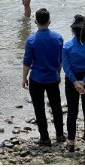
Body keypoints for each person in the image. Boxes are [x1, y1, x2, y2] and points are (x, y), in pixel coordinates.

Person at [22, 8, 65, 146]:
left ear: (35, 22)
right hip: (52, 77)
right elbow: (60, 61)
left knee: (39, 108)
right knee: (56, 107)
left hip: (37, 78)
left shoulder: (31, 40)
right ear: (49, 22)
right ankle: (60, 135)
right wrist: (58, 74)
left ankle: (45, 137)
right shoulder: (58, 38)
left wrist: (24, 78)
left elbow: (27, 61)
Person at [62, 15, 85, 153]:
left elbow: (66, 67)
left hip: (72, 80)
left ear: (73, 31)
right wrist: (84, 81)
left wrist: (75, 82)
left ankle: (71, 142)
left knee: (72, 110)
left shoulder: (67, 46)